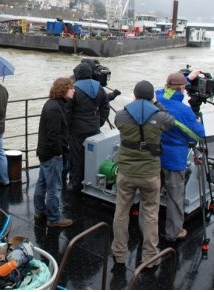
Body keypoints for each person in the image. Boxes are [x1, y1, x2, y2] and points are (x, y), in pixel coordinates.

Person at [112, 80, 175, 266]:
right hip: (150, 174)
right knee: (150, 214)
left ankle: (119, 253)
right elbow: (170, 121)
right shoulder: (159, 116)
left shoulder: (121, 115)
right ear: (151, 97)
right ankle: (149, 256)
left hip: (126, 172)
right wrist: (156, 103)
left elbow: (120, 123)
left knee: (121, 212)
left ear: (135, 95)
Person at [156, 72, 206, 241]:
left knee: (150, 194)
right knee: (175, 196)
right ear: (182, 88)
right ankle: (174, 232)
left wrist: (187, 78)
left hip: (153, 155)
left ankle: (146, 228)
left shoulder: (156, 97)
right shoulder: (184, 111)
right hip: (174, 158)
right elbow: (197, 135)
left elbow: (168, 91)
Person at [34, 77, 75, 228]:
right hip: (52, 155)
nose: (74, 91)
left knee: (42, 183)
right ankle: (54, 218)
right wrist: (58, 153)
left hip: (45, 153)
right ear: (63, 90)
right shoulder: (55, 108)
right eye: (71, 88)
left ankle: (39, 211)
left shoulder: (53, 104)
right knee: (54, 187)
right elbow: (53, 135)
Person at [68, 61, 110, 193]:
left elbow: (68, 110)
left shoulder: (74, 89)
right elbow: (105, 107)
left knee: (76, 158)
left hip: (77, 130)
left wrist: (69, 126)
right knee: (92, 155)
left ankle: (76, 184)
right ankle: (90, 181)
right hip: (94, 128)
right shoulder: (99, 88)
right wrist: (99, 122)